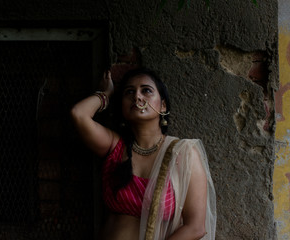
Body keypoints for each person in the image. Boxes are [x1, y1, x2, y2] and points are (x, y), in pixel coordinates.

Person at [70, 68, 216, 240]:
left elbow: (196, 227)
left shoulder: (183, 153)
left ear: (163, 105)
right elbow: (79, 114)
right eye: (129, 92)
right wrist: (106, 94)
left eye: (146, 90)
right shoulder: (115, 146)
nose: (137, 97)